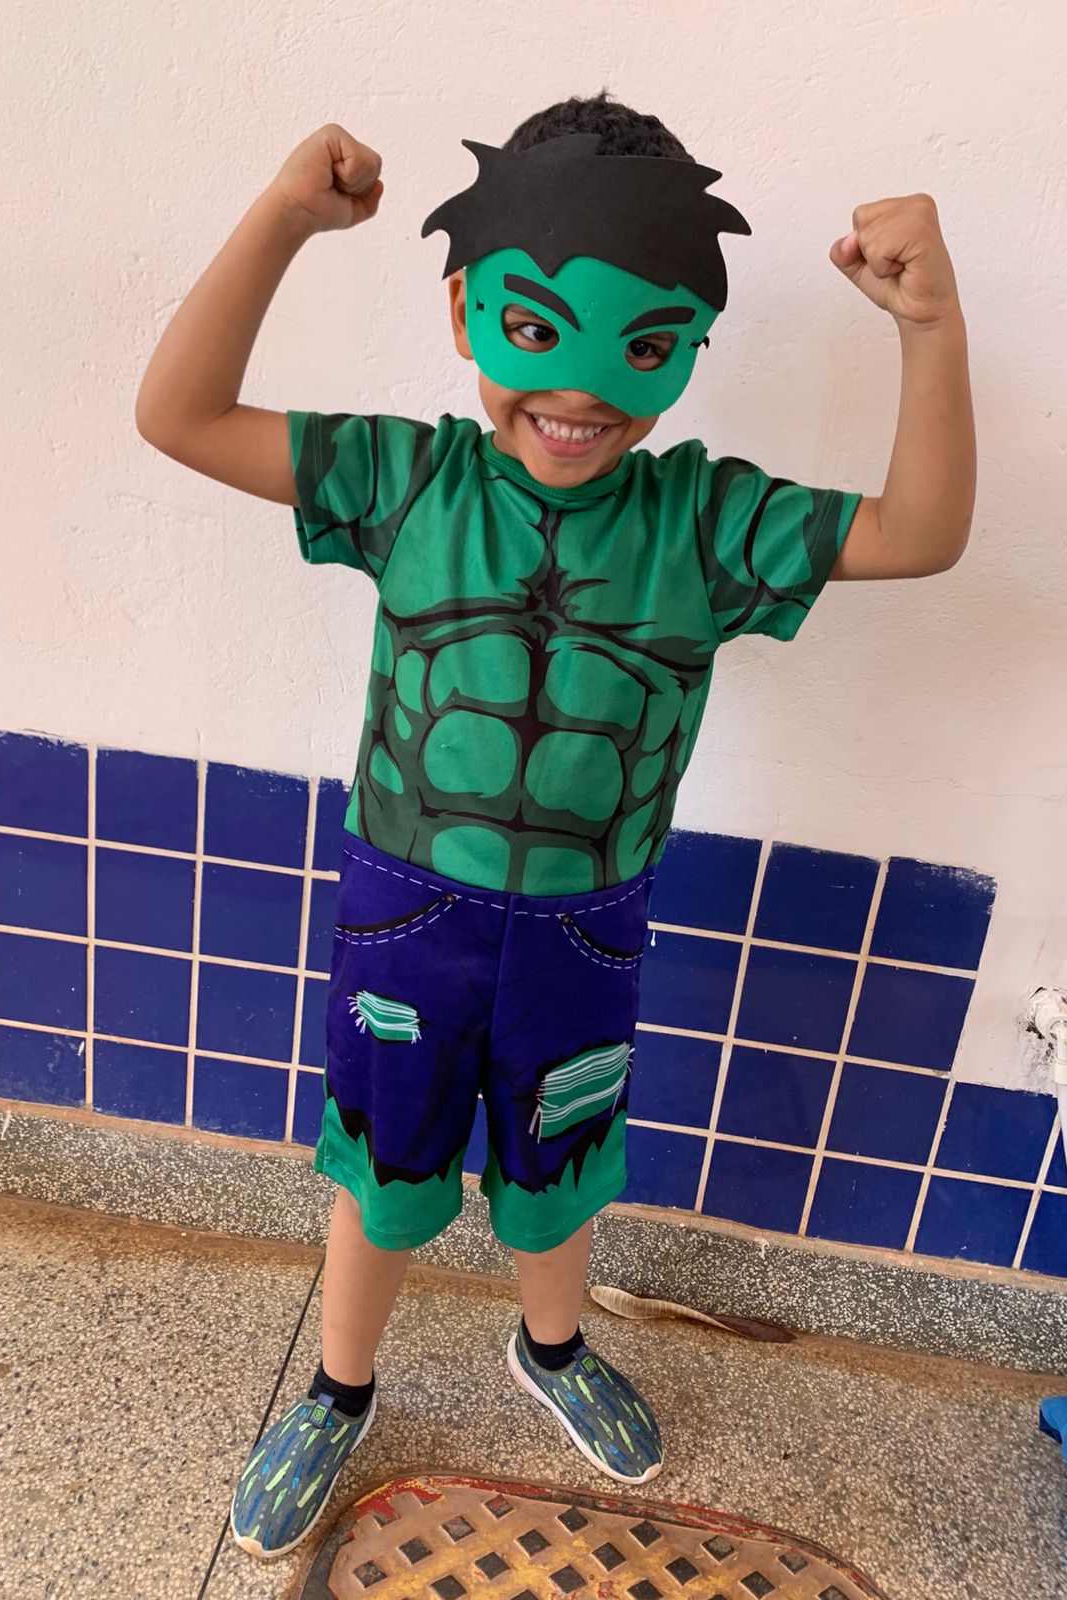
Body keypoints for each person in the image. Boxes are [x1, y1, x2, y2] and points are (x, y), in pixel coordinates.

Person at [135, 91, 975, 1562]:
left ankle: (554, 1344)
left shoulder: (705, 524)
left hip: (588, 926)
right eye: (537, 332)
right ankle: (337, 1389)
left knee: (561, 1156)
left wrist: (930, 326)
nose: (580, 393)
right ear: (469, 310)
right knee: (383, 1163)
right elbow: (178, 416)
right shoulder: (407, 482)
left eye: (642, 350)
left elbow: (922, 534)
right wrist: (282, 218)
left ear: (684, 350)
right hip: (406, 910)